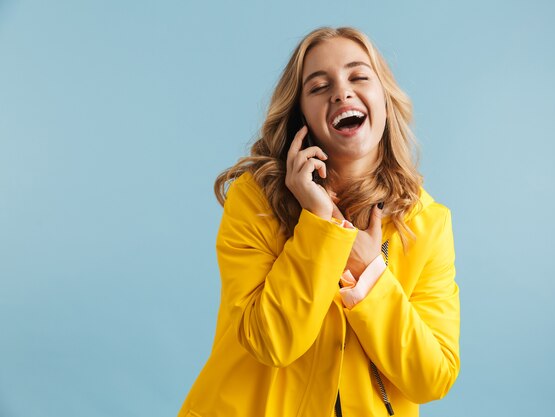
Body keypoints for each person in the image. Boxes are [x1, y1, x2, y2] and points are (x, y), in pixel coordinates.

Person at [177, 26, 460, 417]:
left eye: (359, 76)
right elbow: (272, 342)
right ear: (302, 116)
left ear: (385, 100)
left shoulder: (427, 223)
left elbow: (433, 378)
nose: (341, 92)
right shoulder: (254, 200)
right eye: (318, 86)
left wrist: (371, 276)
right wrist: (318, 224)